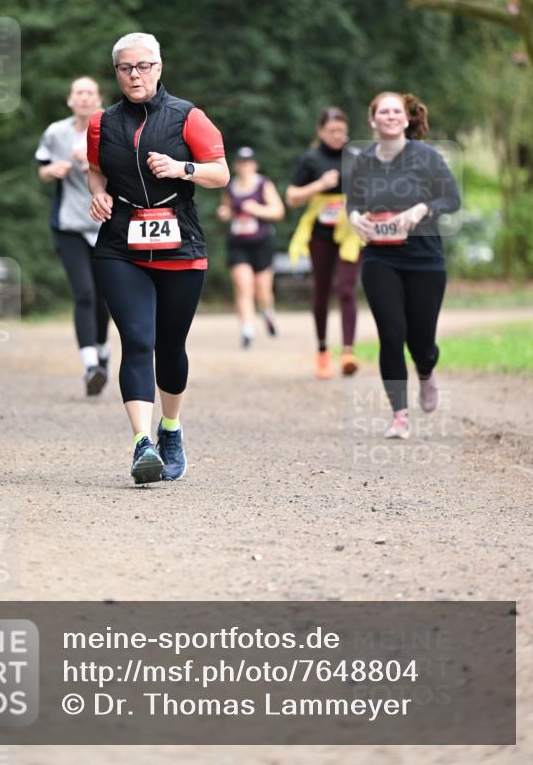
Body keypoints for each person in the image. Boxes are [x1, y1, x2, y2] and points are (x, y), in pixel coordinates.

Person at [87, 32, 229, 484]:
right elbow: (95, 169)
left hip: (180, 245)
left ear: (158, 68)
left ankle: (170, 429)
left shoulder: (188, 117)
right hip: (120, 246)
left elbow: (221, 173)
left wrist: (182, 168)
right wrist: (98, 194)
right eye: (126, 68)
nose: (135, 75)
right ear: (116, 72)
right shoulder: (101, 123)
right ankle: (141, 444)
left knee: (170, 346)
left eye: (143, 66)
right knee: (136, 339)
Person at [345, 91, 461, 439]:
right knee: (391, 334)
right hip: (380, 258)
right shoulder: (363, 160)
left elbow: (452, 198)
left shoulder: (426, 156)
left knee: (421, 342)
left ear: (407, 118)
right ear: (373, 120)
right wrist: (355, 219)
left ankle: (426, 371)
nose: (391, 116)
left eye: (397, 111)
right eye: (384, 112)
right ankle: (399, 415)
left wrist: (422, 209)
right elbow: (354, 201)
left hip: (425, 258)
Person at [35, 76, 111, 396]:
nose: (84, 98)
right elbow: (42, 169)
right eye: (78, 92)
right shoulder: (56, 132)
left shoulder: (111, 129)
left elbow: (127, 171)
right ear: (70, 99)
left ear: (99, 99)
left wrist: (95, 160)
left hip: (107, 224)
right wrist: (52, 171)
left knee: (104, 297)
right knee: (84, 293)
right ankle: (91, 366)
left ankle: (103, 351)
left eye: (89, 92)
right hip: (69, 226)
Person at [286, 108, 363, 379]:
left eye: (341, 131)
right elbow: (292, 197)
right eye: (331, 131)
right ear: (320, 132)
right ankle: (322, 350)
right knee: (322, 289)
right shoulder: (311, 158)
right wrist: (319, 185)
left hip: (350, 231)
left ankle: (349, 352)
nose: (337, 136)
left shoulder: (356, 157)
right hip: (320, 233)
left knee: (346, 288)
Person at [216, 147, 285, 348]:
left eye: (248, 163)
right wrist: (224, 213)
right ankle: (247, 330)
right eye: (241, 163)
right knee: (243, 287)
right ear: (236, 166)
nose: (245, 166)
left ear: (254, 165)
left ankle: (268, 314)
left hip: (261, 242)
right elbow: (227, 210)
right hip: (238, 244)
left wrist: (257, 209)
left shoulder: (263, 184)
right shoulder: (230, 187)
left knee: (263, 291)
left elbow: (278, 211)